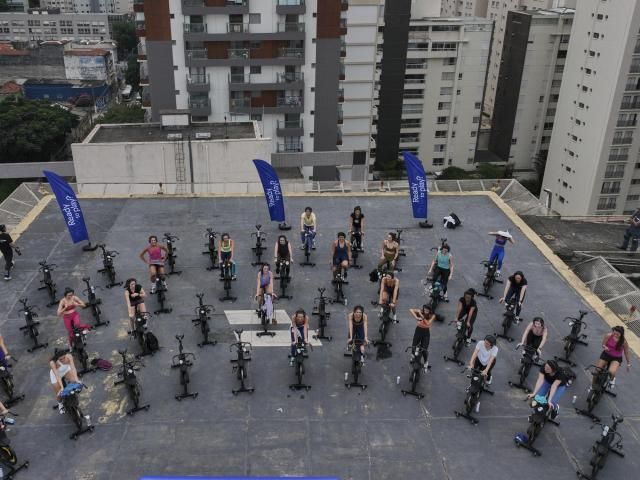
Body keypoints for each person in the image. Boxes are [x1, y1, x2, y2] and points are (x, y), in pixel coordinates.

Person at [49, 348, 81, 414]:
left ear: (66, 355)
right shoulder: (52, 363)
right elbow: (57, 376)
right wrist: (62, 388)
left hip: (66, 371)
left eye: (64, 358)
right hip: (56, 375)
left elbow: (73, 368)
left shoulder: (69, 356)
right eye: (60, 359)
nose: (63, 360)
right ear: (57, 358)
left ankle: (72, 396)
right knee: (59, 394)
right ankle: (60, 404)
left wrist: (77, 379)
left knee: (74, 381)